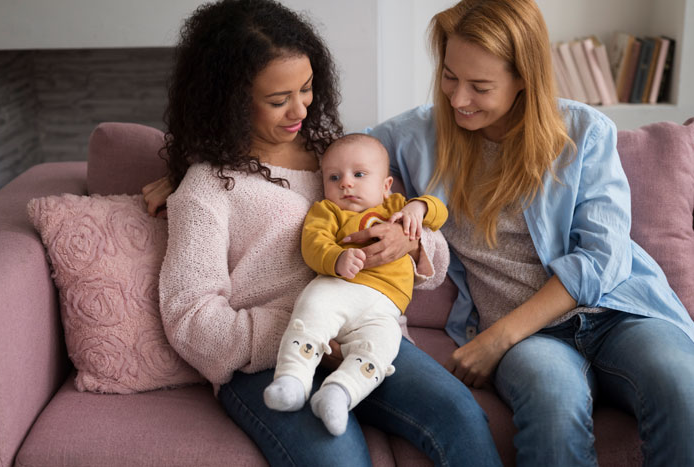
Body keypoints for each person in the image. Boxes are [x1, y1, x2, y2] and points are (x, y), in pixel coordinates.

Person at [149, 0, 502, 465]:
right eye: (278, 100)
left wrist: (411, 242)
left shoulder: (332, 157)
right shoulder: (206, 188)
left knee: (461, 415)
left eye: (307, 89)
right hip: (268, 365)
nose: (300, 109)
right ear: (232, 102)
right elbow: (190, 318)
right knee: (337, 458)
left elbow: (426, 256)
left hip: (368, 340)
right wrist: (305, 331)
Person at [360, 0, 694, 465]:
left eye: (480, 86)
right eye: (450, 76)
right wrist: (397, 225)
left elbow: (601, 259)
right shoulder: (418, 136)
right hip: (534, 345)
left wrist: (497, 339)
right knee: (552, 403)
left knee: (683, 385)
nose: (458, 99)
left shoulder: (584, 131)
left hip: (618, 311)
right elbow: (346, 159)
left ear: (524, 79)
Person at [264, 133, 449, 437]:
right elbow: (313, 243)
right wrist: (336, 258)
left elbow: (439, 211)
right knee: (311, 313)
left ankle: (339, 393)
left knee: (383, 346)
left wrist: (420, 208)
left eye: (359, 175)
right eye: (334, 177)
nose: (345, 183)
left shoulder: (398, 208)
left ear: (386, 185)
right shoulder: (328, 211)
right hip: (339, 288)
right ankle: (292, 379)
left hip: (385, 309)